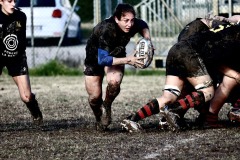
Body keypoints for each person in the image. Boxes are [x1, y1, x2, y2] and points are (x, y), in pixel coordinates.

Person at [121, 15, 240, 132]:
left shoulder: (230, 29)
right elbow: (215, 61)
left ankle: (131, 119)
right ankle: (173, 110)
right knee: (207, 91)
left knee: (169, 96)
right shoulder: (235, 37)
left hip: (176, 49)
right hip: (190, 53)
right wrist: (235, 75)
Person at [84, 3, 152, 130]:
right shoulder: (107, 30)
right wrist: (128, 60)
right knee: (94, 97)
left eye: (132, 20)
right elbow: (103, 59)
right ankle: (99, 118)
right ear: (116, 19)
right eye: (126, 21)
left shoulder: (132, 23)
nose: (129, 24)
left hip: (116, 53)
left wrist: (147, 40)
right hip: (95, 58)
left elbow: (143, 25)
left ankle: (107, 105)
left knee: (114, 83)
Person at [0, 0, 43, 125]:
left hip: (16, 58)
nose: (13, 4)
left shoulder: (20, 16)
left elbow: (21, 41)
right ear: (1, 2)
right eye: (9, 1)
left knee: (26, 97)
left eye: (14, 0)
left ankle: (36, 113)